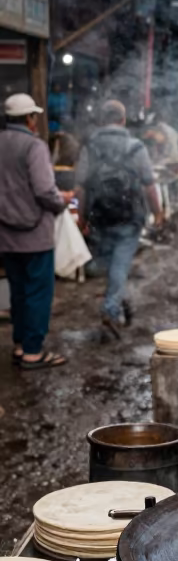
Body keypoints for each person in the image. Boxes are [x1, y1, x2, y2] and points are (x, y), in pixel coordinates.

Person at [75, 100, 162, 339]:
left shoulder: (90, 147)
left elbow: (80, 188)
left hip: (99, 216)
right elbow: (149, 184)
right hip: (130, 216)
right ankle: (110, 311)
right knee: (120, 265)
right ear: (123, 120)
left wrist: (81, 219)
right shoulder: (135, 147)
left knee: (112, 265)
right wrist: (158, 212)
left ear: (102, 120)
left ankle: (123, 302)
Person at [0, 93, 72, 369]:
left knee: (18, 291)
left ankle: (20, 345)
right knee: (38, 293)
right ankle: (33, 352)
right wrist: (61, 201)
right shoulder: (34, 146)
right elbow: (44, 189)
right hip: (34, 235)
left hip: (6, 234)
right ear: (30, 118)